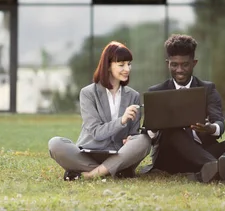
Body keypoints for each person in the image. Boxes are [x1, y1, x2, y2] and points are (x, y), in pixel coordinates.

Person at [142, 34, 225, 184]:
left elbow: (219, 123)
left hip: (202, 152)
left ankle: (212, 167)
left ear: (194, 63)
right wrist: (154, 127)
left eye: (185, 65)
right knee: (173, 129)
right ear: (168, 63)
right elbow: (148, 134)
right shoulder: (156, 91)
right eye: (174, 65)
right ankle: (218, 167)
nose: (179, 70)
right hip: (171, 159)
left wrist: (209, 128)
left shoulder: (207, 89)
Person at [48, 41, 151, 180]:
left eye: (129, 64)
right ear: (108, 66)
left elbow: (133, 133)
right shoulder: (88, 93)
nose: (127, 69)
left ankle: (92, 174)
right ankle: (114, 171)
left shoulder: (133, 96)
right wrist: (121, 120)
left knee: (144, 139)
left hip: (119, 153)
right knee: (55, 143)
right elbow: (96, 132)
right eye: (121, 65)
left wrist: (130, 138)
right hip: (90, 152)